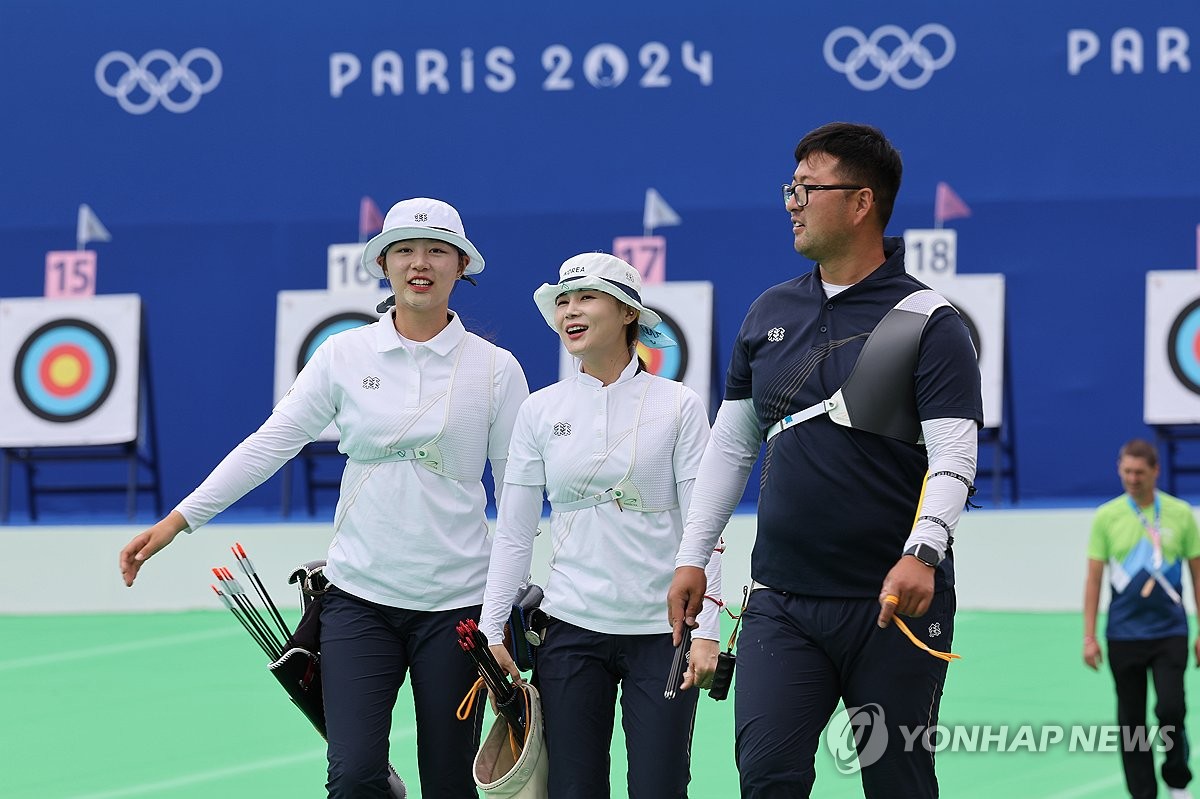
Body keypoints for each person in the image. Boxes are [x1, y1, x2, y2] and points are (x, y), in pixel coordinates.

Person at [118, 197, 530, 798]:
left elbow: (517, 498)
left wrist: (499, 615)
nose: (421, 263)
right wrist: (178, 521)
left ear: (460, 266)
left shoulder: (497, 370)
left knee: (450, 782)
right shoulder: (344, 354)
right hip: (358, 600)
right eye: (405, 250)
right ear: (384, 265)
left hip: (456, 608)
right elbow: (270, 444)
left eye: (437, 250)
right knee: (355, 776)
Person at [666, 121, 983, 798]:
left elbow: (955, 454)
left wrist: (923, 552)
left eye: (808, 188)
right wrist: (693, 556)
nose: (792, 202)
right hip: (782, 604)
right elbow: (731, 445)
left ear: (862, 202)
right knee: (768, 780)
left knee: (898, 781)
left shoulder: (929, 319)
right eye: (791, 187)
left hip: (893, 606)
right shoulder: (767, 312)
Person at [478, 252, 725, 799]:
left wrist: (707, 631)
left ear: (628, 313)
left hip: (664, 634)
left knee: (660, 788)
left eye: (586, 297)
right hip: (568, 630)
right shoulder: (539, 412)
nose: (570, 310)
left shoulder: (679, 404)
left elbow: (704, 524)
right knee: (573, 789)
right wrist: (492, 631)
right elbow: (515, 533)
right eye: (563, 301)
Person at [1084, 438, 1200, 799]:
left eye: (1139, 472)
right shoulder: (1107, 516)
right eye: (1126, 471)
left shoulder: (1180, 514)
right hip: (1123, 635)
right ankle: (1143, 794)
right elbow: (1094, 578)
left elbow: (1197, 574)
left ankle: (1177, 779)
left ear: (1155, 471)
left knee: (1171, 708)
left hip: (1170, 632)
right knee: (1131, 723)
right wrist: (1089, 636)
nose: (1132, 478)